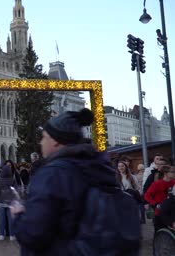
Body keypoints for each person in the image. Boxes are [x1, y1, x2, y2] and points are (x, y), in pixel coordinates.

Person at [10, 108, 139, 255]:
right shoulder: (100, 166)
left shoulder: (53, 174)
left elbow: (32, 233)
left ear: (56, 141)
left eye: (44, 137)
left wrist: (18, 216)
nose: (41, 142)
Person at [144, 165, 175, 231]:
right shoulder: (156, 184)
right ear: (165, 173)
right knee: (159, 231)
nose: (174, 173)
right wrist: (154, 204)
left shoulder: (174, 183)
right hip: (160, 211)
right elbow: (147, 195)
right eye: (172, 172)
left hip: (172, 211)